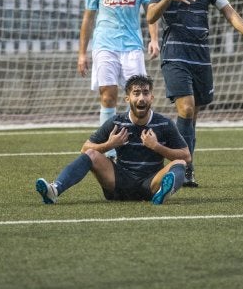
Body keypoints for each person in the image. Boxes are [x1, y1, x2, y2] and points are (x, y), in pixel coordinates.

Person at [147, 0, 243, 187]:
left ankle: (185, 166)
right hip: (175, 54)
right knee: (186, 108)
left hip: (201, 57)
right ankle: (183, 168)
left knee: (192, 117)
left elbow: (228, 11)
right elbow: (151, 16)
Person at [35, 75, 190, 205]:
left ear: (152, 97)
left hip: (151, 184)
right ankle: (54, 190)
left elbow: (186, 156)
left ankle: (163, 193)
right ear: (127, 98)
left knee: (180, 163)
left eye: (145, 93)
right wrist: (110, 144)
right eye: (136, 93)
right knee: (91, 154)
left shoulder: (164, 124)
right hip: (119, 184)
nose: (141, 98)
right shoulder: (117, 122)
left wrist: (156, 147)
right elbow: (84, 149)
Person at [77, 0, 160, 160]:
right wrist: (82, 53)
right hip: (104, 45)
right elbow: (88, 17)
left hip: (132, 46)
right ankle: (110, 151)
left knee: (139, 97)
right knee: (108, 97)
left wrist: (154, 39)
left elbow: (150, 11)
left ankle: (140, 145)